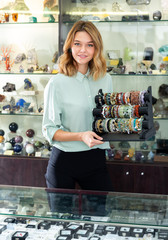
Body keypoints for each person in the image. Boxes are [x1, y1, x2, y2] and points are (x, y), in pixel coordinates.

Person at [42, 20, 113, 192]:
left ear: (96, 48)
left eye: (89, 45)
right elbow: (49, 130)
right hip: (64, 161)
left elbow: (108, 117)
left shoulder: (105, 78)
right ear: (69, 47)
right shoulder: (56, 83)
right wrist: (81, 136)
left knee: (100, 218)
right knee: (62, 219)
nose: (83, 50)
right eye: (77, 44)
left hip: (96, 158)